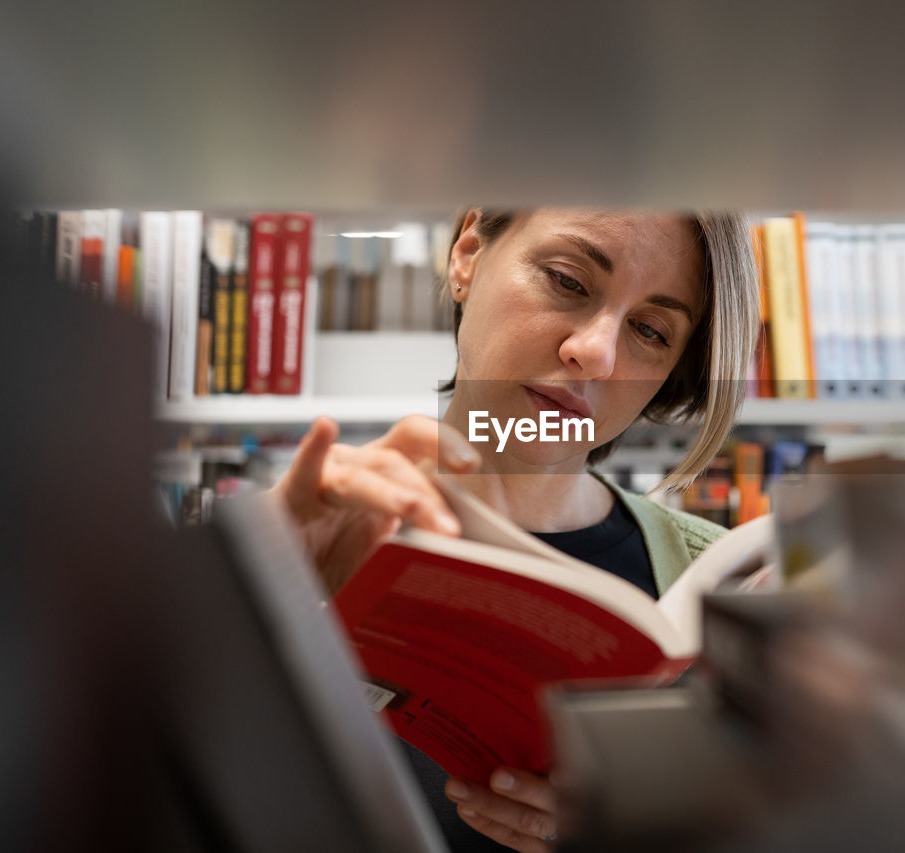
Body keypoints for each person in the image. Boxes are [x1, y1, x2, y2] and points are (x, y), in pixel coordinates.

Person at [274, 208, 758, 852]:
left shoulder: (727, 596)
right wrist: (251, 580)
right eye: (568, 280)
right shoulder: (300, 532)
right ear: (468, 254)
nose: (595, 352)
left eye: (649, 330)